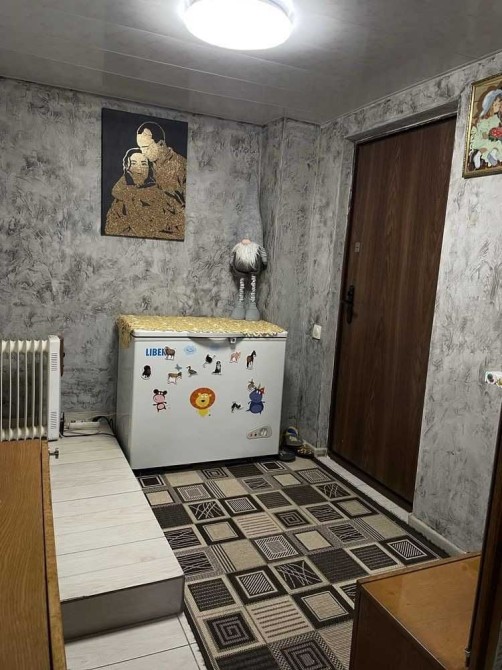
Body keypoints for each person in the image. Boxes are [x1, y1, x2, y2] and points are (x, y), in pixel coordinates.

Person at [105, 148, 184, 239]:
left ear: (149, 168)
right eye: (134, 163)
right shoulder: (121, 199)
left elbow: (181, 225)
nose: (139, 169)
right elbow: (110, 230)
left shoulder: (163, 192)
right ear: (127, 167)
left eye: (143, 164)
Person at [136, 122, 187, 208]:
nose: (143, 153)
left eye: (146, 147)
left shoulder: (181, 166)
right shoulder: (149, 166)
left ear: (161, 144)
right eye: (141, 148)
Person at [230, 238, 268, 320]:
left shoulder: (256, 248)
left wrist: (232, 264)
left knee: (248, 286)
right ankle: (245, 305)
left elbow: (232, 258)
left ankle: (250, 305)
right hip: (245, 270)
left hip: (248, 270)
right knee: (246, 286)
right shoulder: (239, 248)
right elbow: (263, 255)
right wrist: (264, 262)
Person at [469, 88, 502, 169]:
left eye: (499, 105)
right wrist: (487, 135)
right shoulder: (485, 118)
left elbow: (498, 127)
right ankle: (478, 155)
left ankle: (493, 153)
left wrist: (497, 133)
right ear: (490, 106)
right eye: (496, 105)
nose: (498, 107)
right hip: (484, 137)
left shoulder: (496, 118)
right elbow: (483, 130)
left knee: (498, 143)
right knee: (488, 143)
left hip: (493, 137)